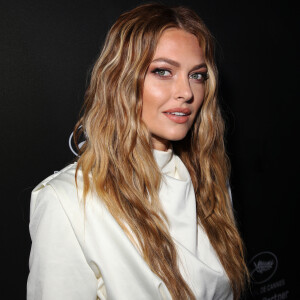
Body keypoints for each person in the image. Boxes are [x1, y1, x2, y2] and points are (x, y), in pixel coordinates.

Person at [27, 3, 249, 300]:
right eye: (163, 71)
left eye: (197, 75)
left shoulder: (208, 181)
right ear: (122, 80)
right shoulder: (67, 203)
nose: (186, 92)